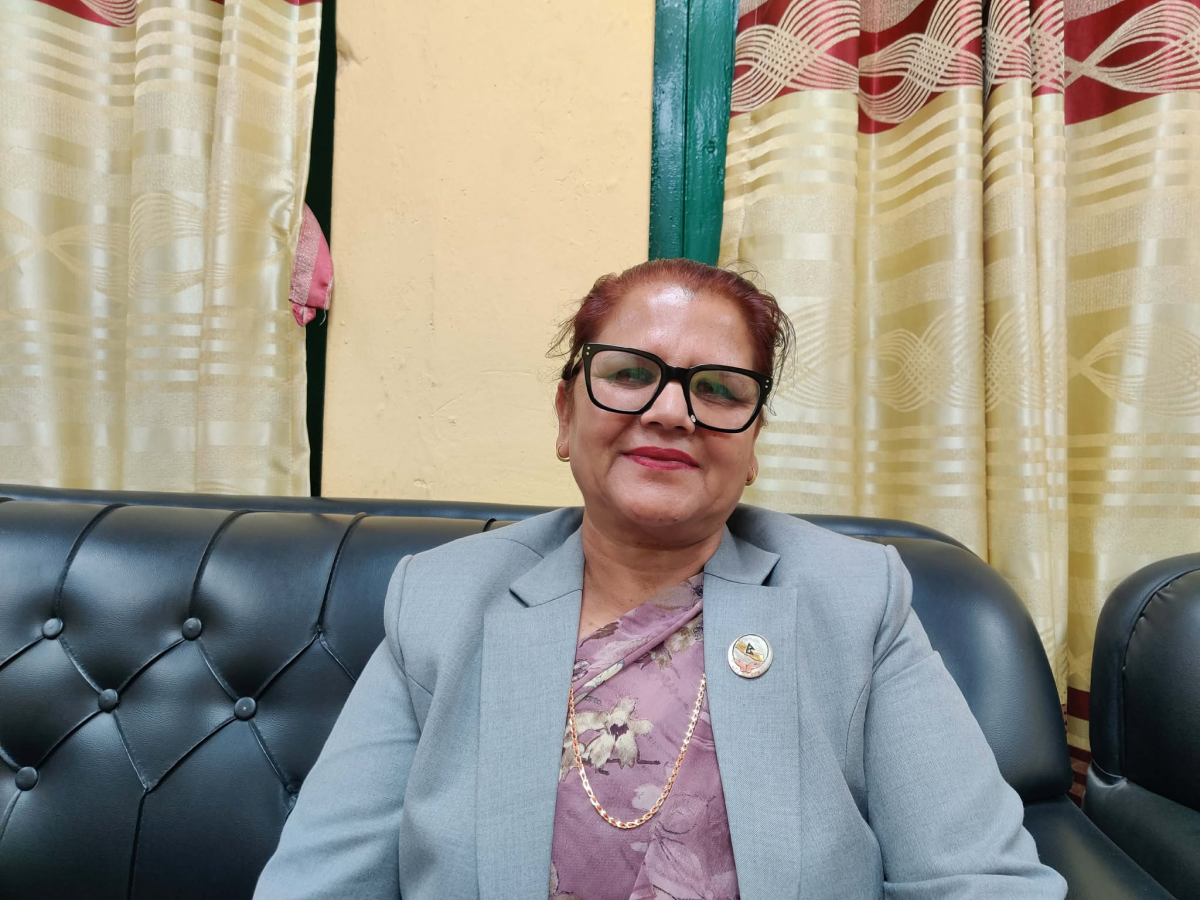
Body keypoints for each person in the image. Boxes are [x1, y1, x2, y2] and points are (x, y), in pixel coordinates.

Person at [254, 259, 1067, 899]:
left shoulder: (855, 600)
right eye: (631, 374)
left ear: (752, 445)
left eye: (718, 389)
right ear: (565, 415)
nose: (671, 412)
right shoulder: (440, 603)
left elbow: (980, 880)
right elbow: (319, 885)